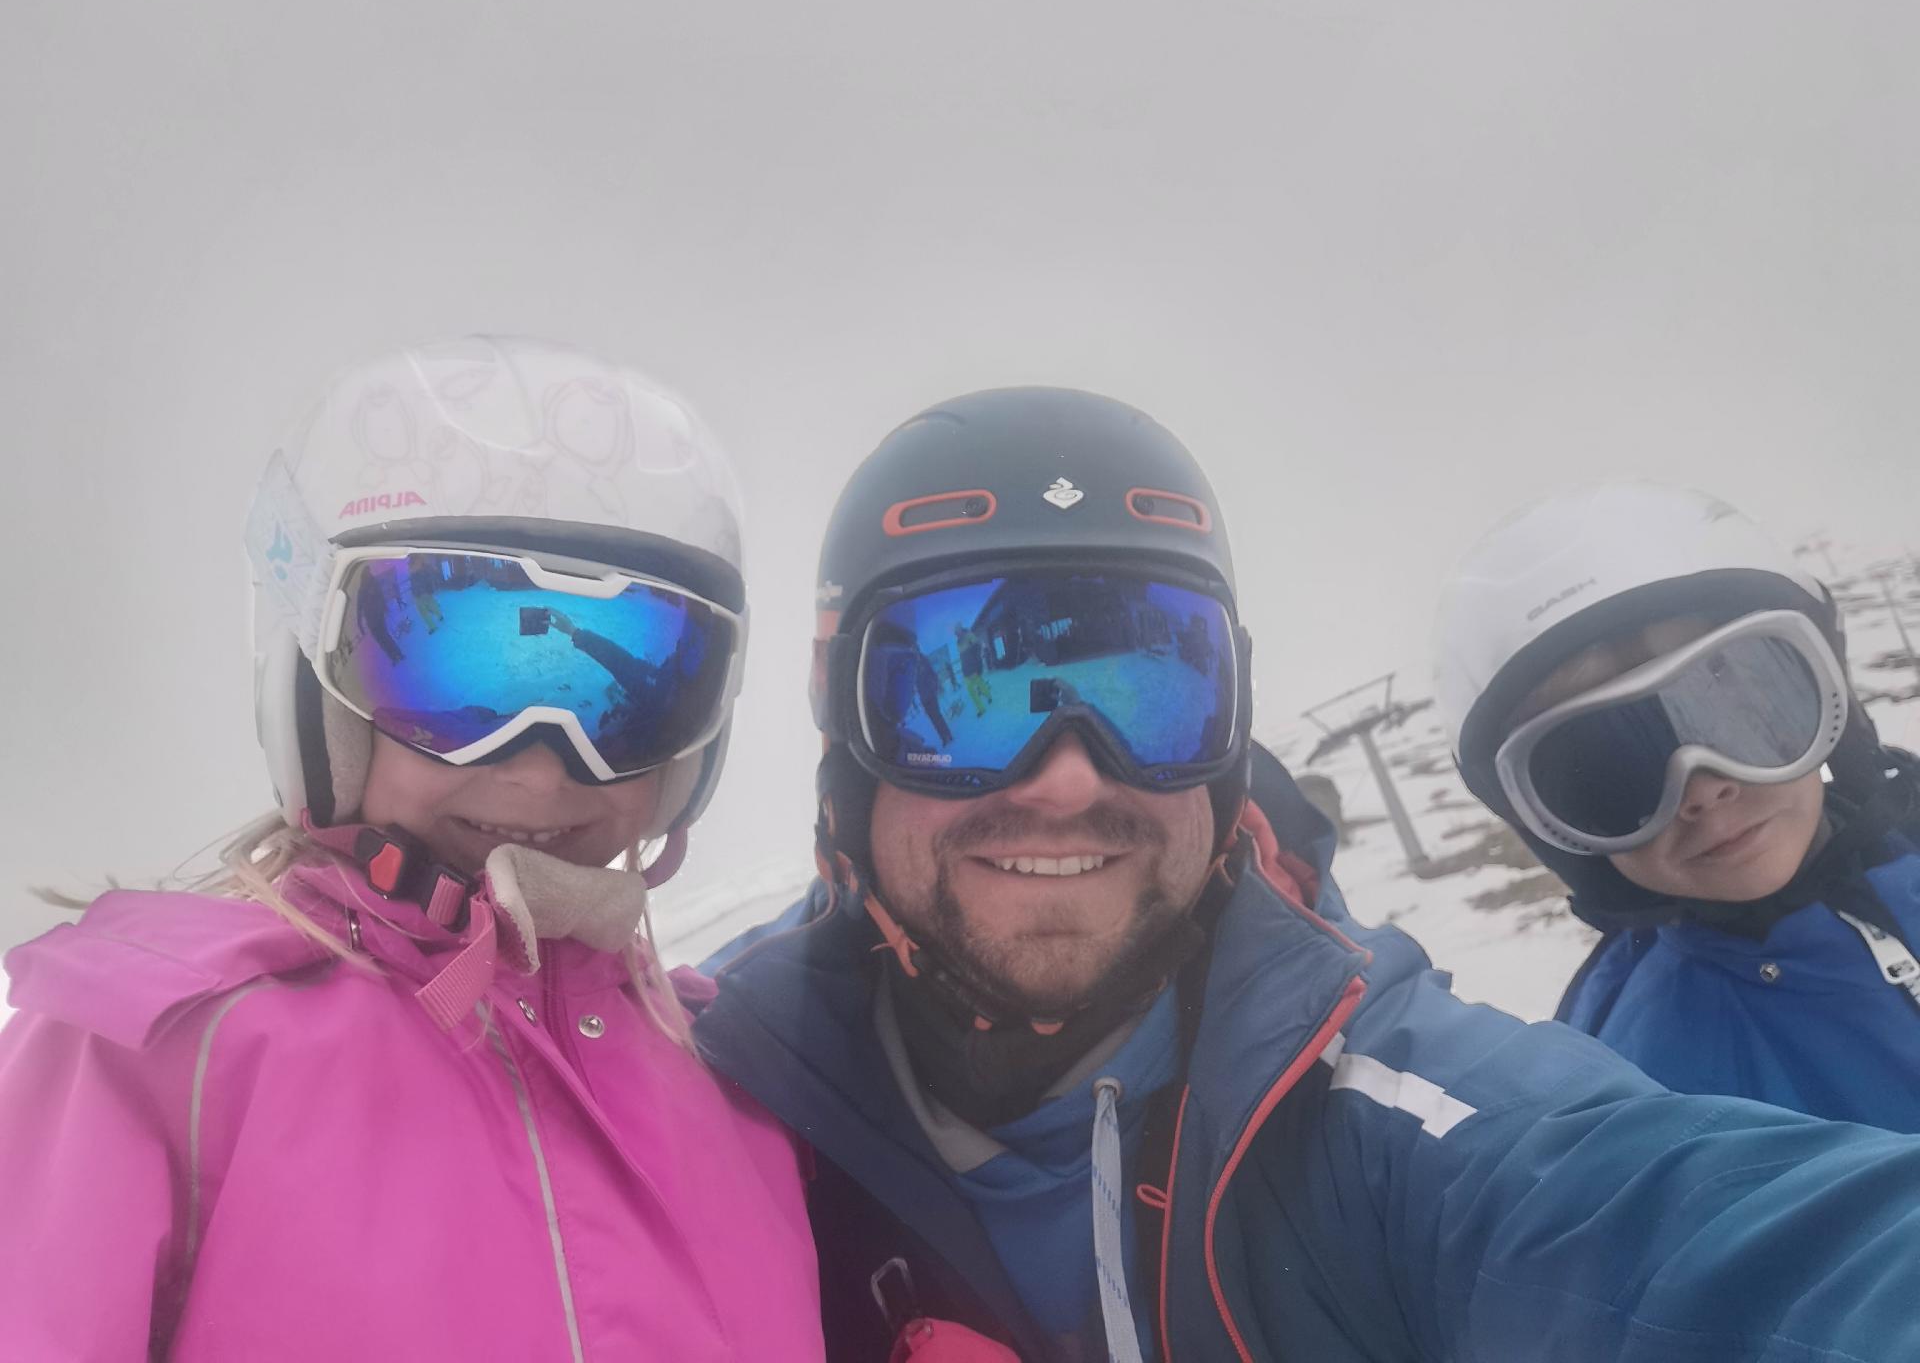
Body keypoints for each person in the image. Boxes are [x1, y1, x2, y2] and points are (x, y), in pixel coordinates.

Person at [697, 387, 1920, 1363]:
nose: (1066, 778)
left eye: (1152, 689)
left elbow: (1690, 1231)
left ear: (1235, 733)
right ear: (844, 728)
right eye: (970, 695)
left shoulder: (1378, 1112)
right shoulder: (705, 1098)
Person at [0, 337, 823, 1360]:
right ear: (317, 691)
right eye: (453, 669)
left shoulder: (745, 1084)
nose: (541, 769)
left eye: (626, 692)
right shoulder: (157, 1052)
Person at [1434, 480, 1920, 1130]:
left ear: (1824, 694)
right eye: (1609, 769)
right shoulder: (1641, 1098)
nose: (1703, 790)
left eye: (1737, 712)